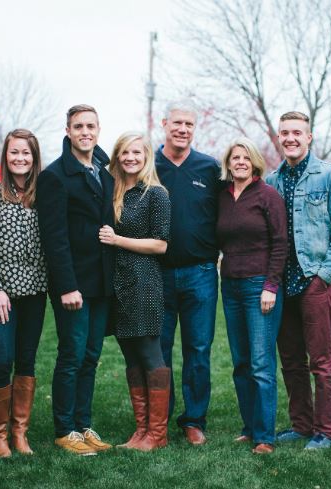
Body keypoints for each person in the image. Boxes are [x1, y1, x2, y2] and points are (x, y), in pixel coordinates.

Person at [266, 111, 331, 450]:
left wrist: (325, 276)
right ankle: (301, 425)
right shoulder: (273, 181)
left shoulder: (330, 177)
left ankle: (325, 431)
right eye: (285, 132)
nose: (290, 138)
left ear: (309, 136)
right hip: (282, 284)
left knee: (321, 360)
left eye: (297, 133)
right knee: (291, 360)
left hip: (314, 280)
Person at [37, 104, 115, 456]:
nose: (86, 132)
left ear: (99, 130)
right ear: (67, 131)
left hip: (101, 281)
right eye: (79, 126)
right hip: (73, 284)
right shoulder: (55, 176)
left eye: (91, 126)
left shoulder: (104, 170)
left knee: (91, 355)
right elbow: (53, 237)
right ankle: (64, 428)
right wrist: (67, 286)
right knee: (72, 354)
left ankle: (84, 425)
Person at [0, 129, 47, 457]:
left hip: (34, 290)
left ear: (34, 158)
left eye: (26, 153)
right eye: (14, 152)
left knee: (27, 359)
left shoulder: (44, 195)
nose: (20, 158)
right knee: (2, 359)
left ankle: (20, 432)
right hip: (0, 293)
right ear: (5, 156)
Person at [98, 132, 171, 451]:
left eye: (137, 152)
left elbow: (161, 244)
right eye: (124, 152)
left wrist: (118, 241)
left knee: (150, 353)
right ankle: (141, 431)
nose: (130, 157)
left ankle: (158, 434)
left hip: (144, 281)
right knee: (130, 355)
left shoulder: (156, 194)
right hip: (117, 282)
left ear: (146, 157)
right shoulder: (111, 190)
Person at [216, 138, 287, 455]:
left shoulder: (268, 196)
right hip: (230, 286)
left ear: (254, 162)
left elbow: (281, 243)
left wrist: (271, 286)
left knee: (261, 364)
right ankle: (249, 427)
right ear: (228, 164)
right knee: (241, 363)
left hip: (260, 287)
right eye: (235, 158)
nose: (240, 162)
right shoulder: (223, 197)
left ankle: (265, 437)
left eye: (246, 157)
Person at [155, 101, 221, 445]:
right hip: (158, 274)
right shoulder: (149, 165)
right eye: (177, 123)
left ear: (195, 129)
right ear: (164, 123)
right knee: (160, 350)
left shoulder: (209, 167)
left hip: (201, 273)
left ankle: (194, 419)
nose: (182, 129)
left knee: (198, 348)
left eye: (189, 124)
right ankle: (159, 419)